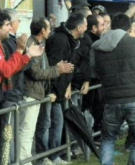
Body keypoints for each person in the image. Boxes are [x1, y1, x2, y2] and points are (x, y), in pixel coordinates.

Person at [91, 13, 135, 165]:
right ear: (128, 28)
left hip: (111, 99)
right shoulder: (132, 42)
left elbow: (93, 69)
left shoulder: (96, 47)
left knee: (108, 139)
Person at [35, 13, 87, 165]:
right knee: (45, 124)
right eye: (85, 26)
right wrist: (52, 89)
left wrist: (67, 85)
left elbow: (66, 68)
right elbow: (53, 66)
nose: (86, 29)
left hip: (59, 90)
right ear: (79, 27)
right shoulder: (60, 40)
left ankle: (53, 155)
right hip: (50, 90)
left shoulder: (70, 40)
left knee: (57, 122)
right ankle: (43, 156)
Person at [21, 18, 74, 165]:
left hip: (39, 93)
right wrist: (57, 70)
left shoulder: (38, 44)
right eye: (49, 28)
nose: (51, 31)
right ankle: (27, 161)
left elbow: (41, 70)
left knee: (35, 128)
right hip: (31, 93)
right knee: (27, 131)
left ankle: (36, 158)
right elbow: (36, 73)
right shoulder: (31, 45)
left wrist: (55, 68)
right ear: (43, 30)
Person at [0, 10, 44, 161]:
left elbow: (9, 68)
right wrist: (21, 51)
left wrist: (26, 55)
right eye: (8, 25)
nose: (11, 28)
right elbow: (6, 70)